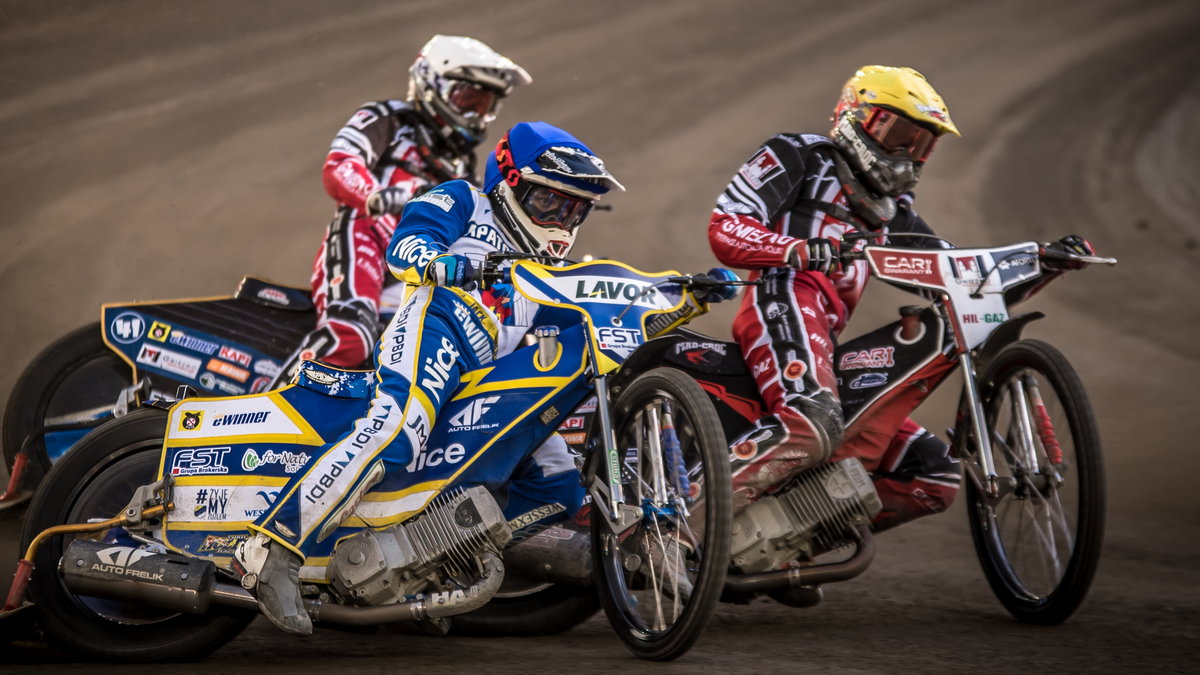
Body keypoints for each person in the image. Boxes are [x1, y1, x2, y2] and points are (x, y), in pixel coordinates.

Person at [236, 121, 623, 635]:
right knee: (394, 433)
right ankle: (271, 548)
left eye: (574, 208)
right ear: (510, 182)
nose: (561, 218)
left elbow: (583, 312)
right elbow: (405, 248)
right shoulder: (466, 199)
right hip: (435, 328)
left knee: (560, 485)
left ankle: (428, 556)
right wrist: (446, 265)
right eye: (549, 202)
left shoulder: (545, 268)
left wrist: (672, 296)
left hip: (486, 373)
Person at [707, 65, 1095, 536]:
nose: (906, 153)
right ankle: (684, 522)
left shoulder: (895, 214)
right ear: (856, 115)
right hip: (783, 297)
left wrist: (1043, 262)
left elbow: (964, 280)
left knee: (934, 475)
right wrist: (794, 250)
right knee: (812, 422)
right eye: (898, 134)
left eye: (921, 144)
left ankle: (778, 543)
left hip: (826, 340)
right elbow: (726, 225)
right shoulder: (798, 154)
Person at [268, 35, 532, 389]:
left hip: (416, 270)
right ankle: (260, 412)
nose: (475, 115)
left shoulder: (462, 168)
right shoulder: (388, 119)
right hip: (365, 236)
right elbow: (340, 164)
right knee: (351, 335)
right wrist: (377, 195)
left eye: (485, 106)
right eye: (468, 100)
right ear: (433, 83)